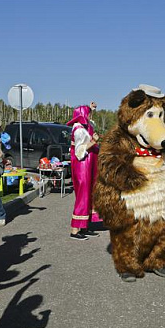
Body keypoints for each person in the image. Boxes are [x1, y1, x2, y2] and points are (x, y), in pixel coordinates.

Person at [66, 102, 102, 240]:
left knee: (89, 194)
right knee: (83, 195)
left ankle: (84, 226)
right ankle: (75, 230)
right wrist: (93, 141)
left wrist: (91, 108)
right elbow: (80, 151)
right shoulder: (79, 129)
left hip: (89, 165)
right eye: (87, 114)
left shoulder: (84, 126)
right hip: (82, 166)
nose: (89, 116)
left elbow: (90, 121)